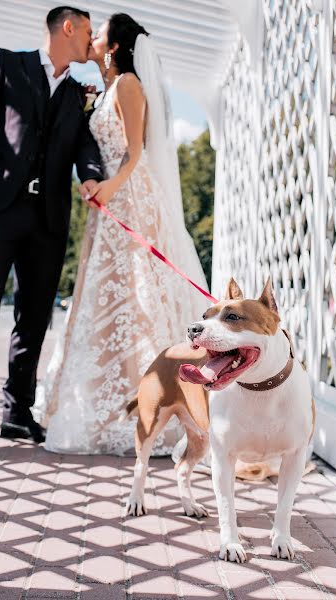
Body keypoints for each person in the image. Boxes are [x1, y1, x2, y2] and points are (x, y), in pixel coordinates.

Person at [34, 13, 210, 456]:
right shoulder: (106, 88)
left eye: (101, 32)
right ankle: (110, 404)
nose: (92, 37)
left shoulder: (129, 84)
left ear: (114, 46)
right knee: (108, 306)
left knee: (137, 301)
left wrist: (109, 188)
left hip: (131, 200)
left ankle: (154, 404)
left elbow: (135, 153)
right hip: (107, 204)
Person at [0, 6, 103, 460]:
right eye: (87, 31)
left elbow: (83, 142)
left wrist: (91, 175)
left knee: (34, 316)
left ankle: (17, 412)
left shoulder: (77, 93)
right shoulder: (6, 64)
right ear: (68, 27)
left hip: (47, 217)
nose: (91, 40)